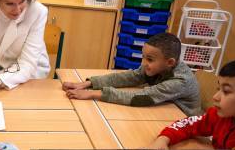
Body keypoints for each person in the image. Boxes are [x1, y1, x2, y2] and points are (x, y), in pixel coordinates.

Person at [62, 32, 202, 116]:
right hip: (165, 110)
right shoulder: (158, 67)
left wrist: (93, 94)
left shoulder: (180, 81)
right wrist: (88, 84)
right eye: (143, 57)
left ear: (170, 62)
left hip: (183, 120)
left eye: (149, 59)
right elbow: (128, 77)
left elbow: (142, 97)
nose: (143, 63)